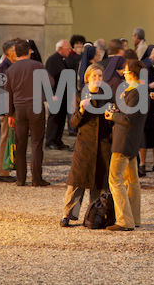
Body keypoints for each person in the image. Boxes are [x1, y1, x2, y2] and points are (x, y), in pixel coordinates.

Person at [60, 63, 111, 227]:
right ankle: (68, 215)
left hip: (102, 145)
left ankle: (93, 215)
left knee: (99, 182)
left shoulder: (107, 96)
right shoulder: (78, 95)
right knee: (77, 182)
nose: (97, 79)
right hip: (84, 145)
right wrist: (82, 110)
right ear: (87, 78)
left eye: (100, 76)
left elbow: (111, 123)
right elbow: (73, 123)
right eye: (94, 76)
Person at [105, 59, 148, 231]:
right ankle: (134, 218)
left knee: (115, 179)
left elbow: (128, 119)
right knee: (132, 181)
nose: (123, 73)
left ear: (132, 74)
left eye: (126, 71)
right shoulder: (139, 91)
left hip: (124, 140)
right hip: (132, 141)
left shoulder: (135, 92)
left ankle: (124, 220)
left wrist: (112, 116)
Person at [5, 40, 54, 187]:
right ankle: (36, 179)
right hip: (36, 107)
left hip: (19, 109)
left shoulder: (10, 70)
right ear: (29, 52)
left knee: (20, 144)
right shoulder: (37, 66)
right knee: (36, 143)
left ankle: (20, 179)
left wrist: (9, 114)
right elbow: (50, 83)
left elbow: (7, 94)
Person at [0, 40, 17, 182]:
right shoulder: (5, 67)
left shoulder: (8, 66)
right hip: (4, 109)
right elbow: (3, 91)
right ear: (9, 52)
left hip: (5, 108)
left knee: (6, 138)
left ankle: (1, 170)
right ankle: (2, 173)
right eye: (15, 50)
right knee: (5, 139)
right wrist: (9, 112)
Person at [45, 40, 73, 151]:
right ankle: (50, 141)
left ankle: (57, 140)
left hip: (63, 95)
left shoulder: (63, 60)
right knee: (54, 119)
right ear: (60, 48)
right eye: (68, 48)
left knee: (61, 119)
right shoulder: (53, 60)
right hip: (56, 95)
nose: (70, 50)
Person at [139, 45, 154, 176]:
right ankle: (142, 164)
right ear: (149, 53)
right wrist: (150, 85)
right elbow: (141, 83)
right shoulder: (145, 65)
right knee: (145, 134)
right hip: (146, 102)